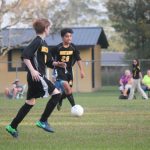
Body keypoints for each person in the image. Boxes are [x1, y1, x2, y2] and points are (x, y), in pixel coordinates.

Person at [5, 18, 66, 138]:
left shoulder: (44, 43)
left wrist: (57, 64)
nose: (50, 29)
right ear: (45, 29)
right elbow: (25, 56)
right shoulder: (37, 41)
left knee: (30, 103)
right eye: (49, 28)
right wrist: (33, 71)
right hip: (37, 76)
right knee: (57, 94)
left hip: (36, 76)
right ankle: (43, 121)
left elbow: (48, 62)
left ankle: (12, 126)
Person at [51, 28, 85, 111]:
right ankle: (74, 107)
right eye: (67, 36)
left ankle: (60, 99)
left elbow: (78, 59)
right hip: (59, 71)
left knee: (69, 91)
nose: (69, 38)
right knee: (66, 86)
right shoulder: (57, 48)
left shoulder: (73, 47)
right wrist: (57, 64)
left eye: (70, 36)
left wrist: (82, 70)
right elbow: (50, 59)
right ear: (62, 37)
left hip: (69, 71)